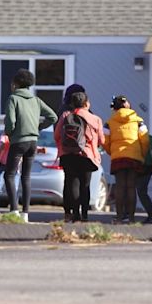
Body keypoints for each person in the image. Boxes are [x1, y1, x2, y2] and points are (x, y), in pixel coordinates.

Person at [4, 69, 57, 223]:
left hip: (18, 141)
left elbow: (10, 121)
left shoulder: (13, 98)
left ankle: (14, 210)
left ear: (16, 83)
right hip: (33, 142)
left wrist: (9, 132)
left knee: (9, 175)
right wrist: (38, 127)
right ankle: (25, 213)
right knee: (26, 176)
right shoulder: (36, 100)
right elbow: (53, 117)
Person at [55, 92, 104, 222]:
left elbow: (57, 135)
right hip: (86, 155)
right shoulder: (95, 119)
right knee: (85, 185)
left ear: (72, 103)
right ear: (86, 103)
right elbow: (102, 140)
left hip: (68, 154)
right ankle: (85, 215)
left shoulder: (65, 116)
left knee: (72, 183)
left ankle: (74, 214)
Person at [103, 95, 149, 224]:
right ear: (128, 105)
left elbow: (104, 140)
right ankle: (132, 218)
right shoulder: (139, 121)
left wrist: (112, 152)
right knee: (131, 187)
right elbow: (145, 140)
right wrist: (142, 154)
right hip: (134, 157)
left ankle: (119, 217)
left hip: (118, 158)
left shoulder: (109, 122)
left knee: (120, 187)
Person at [57, 83, 86, 221]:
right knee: (83, 183)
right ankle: (82, 213)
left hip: (65, 152)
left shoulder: (63, 112)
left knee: (69, 181)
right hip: (83, 153)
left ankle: (69, 212)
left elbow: (56, 134)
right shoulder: (87, 114)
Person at [0, 134, 19, 214]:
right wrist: (3, 144)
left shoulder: (19, 137)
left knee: (15, 189)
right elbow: (0, 145)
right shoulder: (5, 137)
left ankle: (14, 209)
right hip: (3, 165)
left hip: (15, 166)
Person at [136, 134, 152, 224]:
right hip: (149, 168)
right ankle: (151, 215)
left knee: (141, 192)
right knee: (142, 192)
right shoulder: (149, 137)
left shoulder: (134, 138)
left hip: (141, 167)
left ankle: (151, 215)